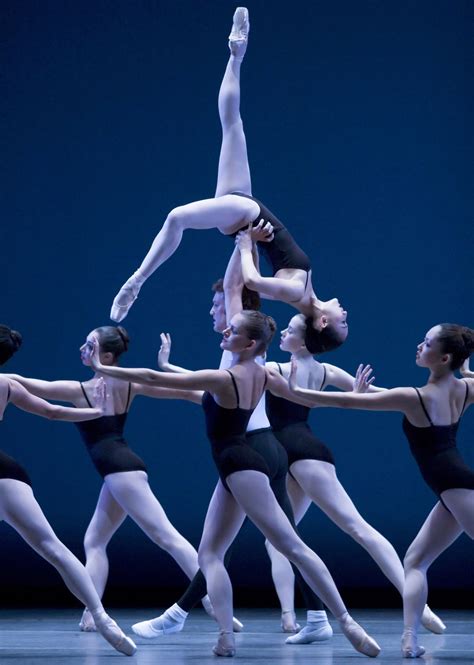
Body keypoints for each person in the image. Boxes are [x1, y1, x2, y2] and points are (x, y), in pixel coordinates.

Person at [87, 312, 381, 658]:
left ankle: (346, 621)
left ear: (251, 343)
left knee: (291, 546)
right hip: (241, 464)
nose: (225, 331)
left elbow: (150, 376)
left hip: (239, 463)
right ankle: (225, 636)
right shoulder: (264, 373)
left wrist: (105, 368)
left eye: (233, 330)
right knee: (210, 554)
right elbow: (307, 398)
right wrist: (356, 396)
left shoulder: (225, 377)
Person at [110, 8, 348, 357]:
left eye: (343, 322)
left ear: (323, 322)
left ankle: (137, 281)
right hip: (244, 209)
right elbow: (244, 284)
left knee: (177, 217)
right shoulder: (301, 291)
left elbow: (251, 281)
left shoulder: (297, 293)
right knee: (232, 125)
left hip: (248, 215)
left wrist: (248, 244)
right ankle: (236, 53)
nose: (346, 315)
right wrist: (245, 249)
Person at [132, 269, 332, 643]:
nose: (213, 312)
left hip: (249, 451)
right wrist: (163, 372)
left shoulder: (242, 342)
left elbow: (234, 286)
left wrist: (244, 242)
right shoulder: (235, 354)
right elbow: (202, 390)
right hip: (261, 449)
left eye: (217, 305)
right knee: (273, 542)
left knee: (245, 546)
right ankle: (319, 615)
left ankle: (184, 618)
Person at [6, 325, 209, 633]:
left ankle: (213, 600)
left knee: (166, 536)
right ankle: (91, 612)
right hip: (119, 470)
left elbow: (27, 385)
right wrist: (213, 396)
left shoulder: (82, 390)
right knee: (95, 540)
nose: (82, 350)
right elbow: (185, 392)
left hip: (121, 470)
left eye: (89, 346)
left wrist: (222, 398)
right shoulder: (125, 386)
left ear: (107, 356)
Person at [288, 323, 474, 659]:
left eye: (427, 342)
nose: (420, 345)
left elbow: (344, 405)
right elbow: (370, 398)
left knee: (416, 563)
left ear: (443, 356)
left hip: (457, 487)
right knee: (414, 561)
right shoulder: (464, 390)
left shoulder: (416, 397)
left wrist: (297, 392)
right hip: (452, 489)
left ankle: (410, 637)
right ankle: (409, 639)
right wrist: (464, 368)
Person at [263, 311, 445, 642]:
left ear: (303, 340)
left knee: (357, 527)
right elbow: (377, 393)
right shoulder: (322, 371)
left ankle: (419, 602)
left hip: (303, 453)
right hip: (292, 454)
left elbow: (228, 377)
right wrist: (407, 398)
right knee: (278, 539)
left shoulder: (275, 369)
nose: (282, 335)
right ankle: (298, 619)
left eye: (288, 330)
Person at [0, 324, 136, 656]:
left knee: (53, 547)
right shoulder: (4, 384)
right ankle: (101, 616)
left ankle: (101, 615)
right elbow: (50, 411)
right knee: (53, 547)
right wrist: (97, 412)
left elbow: (51, 408)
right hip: (6, 475)